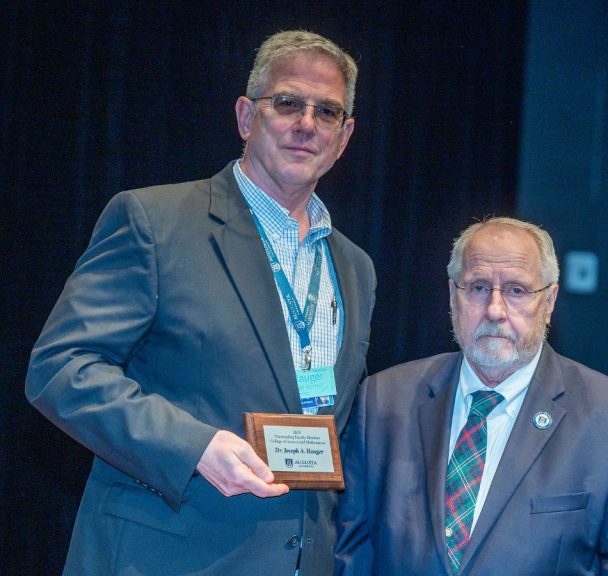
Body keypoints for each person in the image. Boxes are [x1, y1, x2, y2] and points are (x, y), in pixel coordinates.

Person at [26, 30, 375, 576]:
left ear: (345, 134)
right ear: (245, 116)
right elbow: (61, 370)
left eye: (326, 112)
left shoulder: (355, 267)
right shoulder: (155, 221)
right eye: (287, 103)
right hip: (165, 556)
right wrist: (194, 447)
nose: (306, 124)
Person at [336, 217, 608, 575]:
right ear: (453, 295)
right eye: (479, 287)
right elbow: (351, 553)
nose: (495, 310)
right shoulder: (384, 400)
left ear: (549, 301)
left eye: (516, 290)